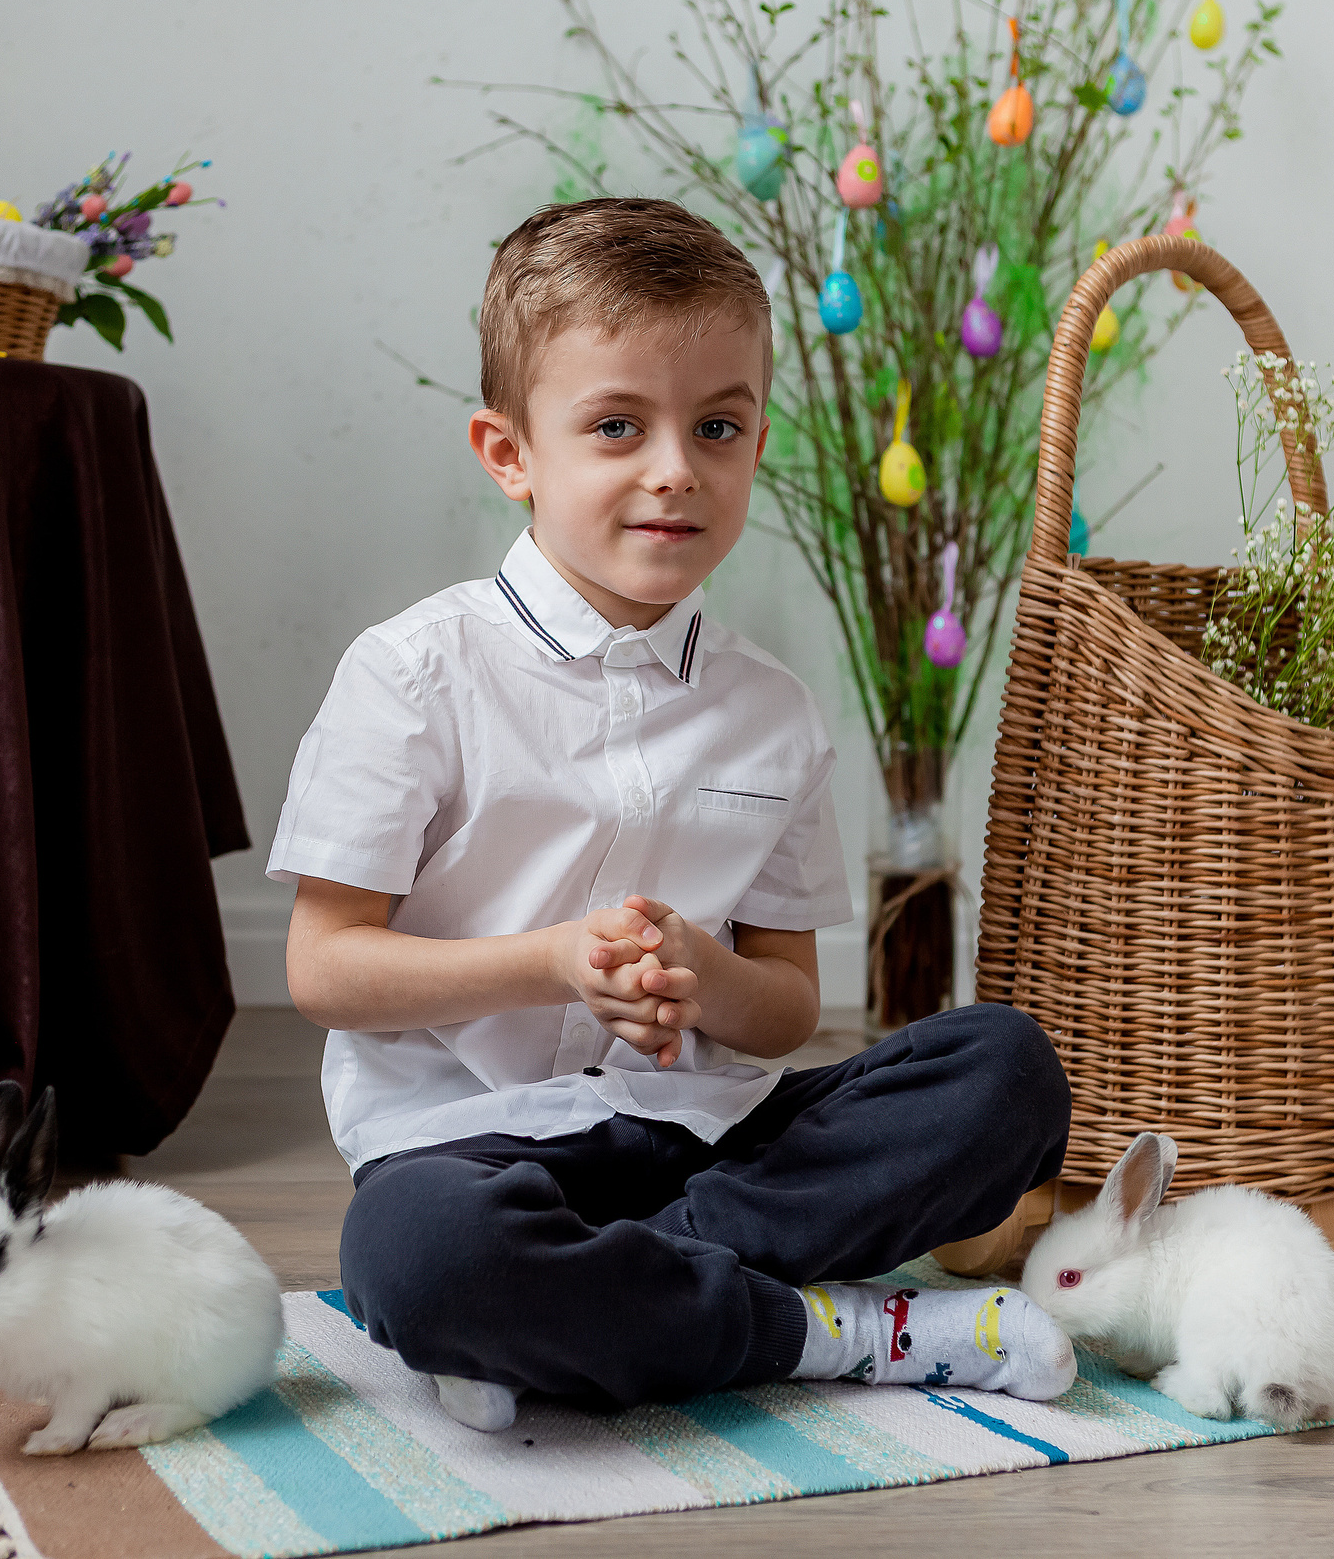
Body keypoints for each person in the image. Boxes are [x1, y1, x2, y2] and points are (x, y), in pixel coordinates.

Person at [269, 197, 1075, 1431]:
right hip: (469, 1152)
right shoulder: (413, 674)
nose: (674, 471)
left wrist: (705, 974)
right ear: (509, 453)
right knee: (423, 1255)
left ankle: (598, 1303)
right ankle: (816, 1329)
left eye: (716, 427)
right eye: (614, 426)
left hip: (706, 1139)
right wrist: (549, 965)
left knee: (1003, 1073)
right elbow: (324, 969)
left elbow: (788, 1012)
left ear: (757, 441)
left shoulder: (776, 714)